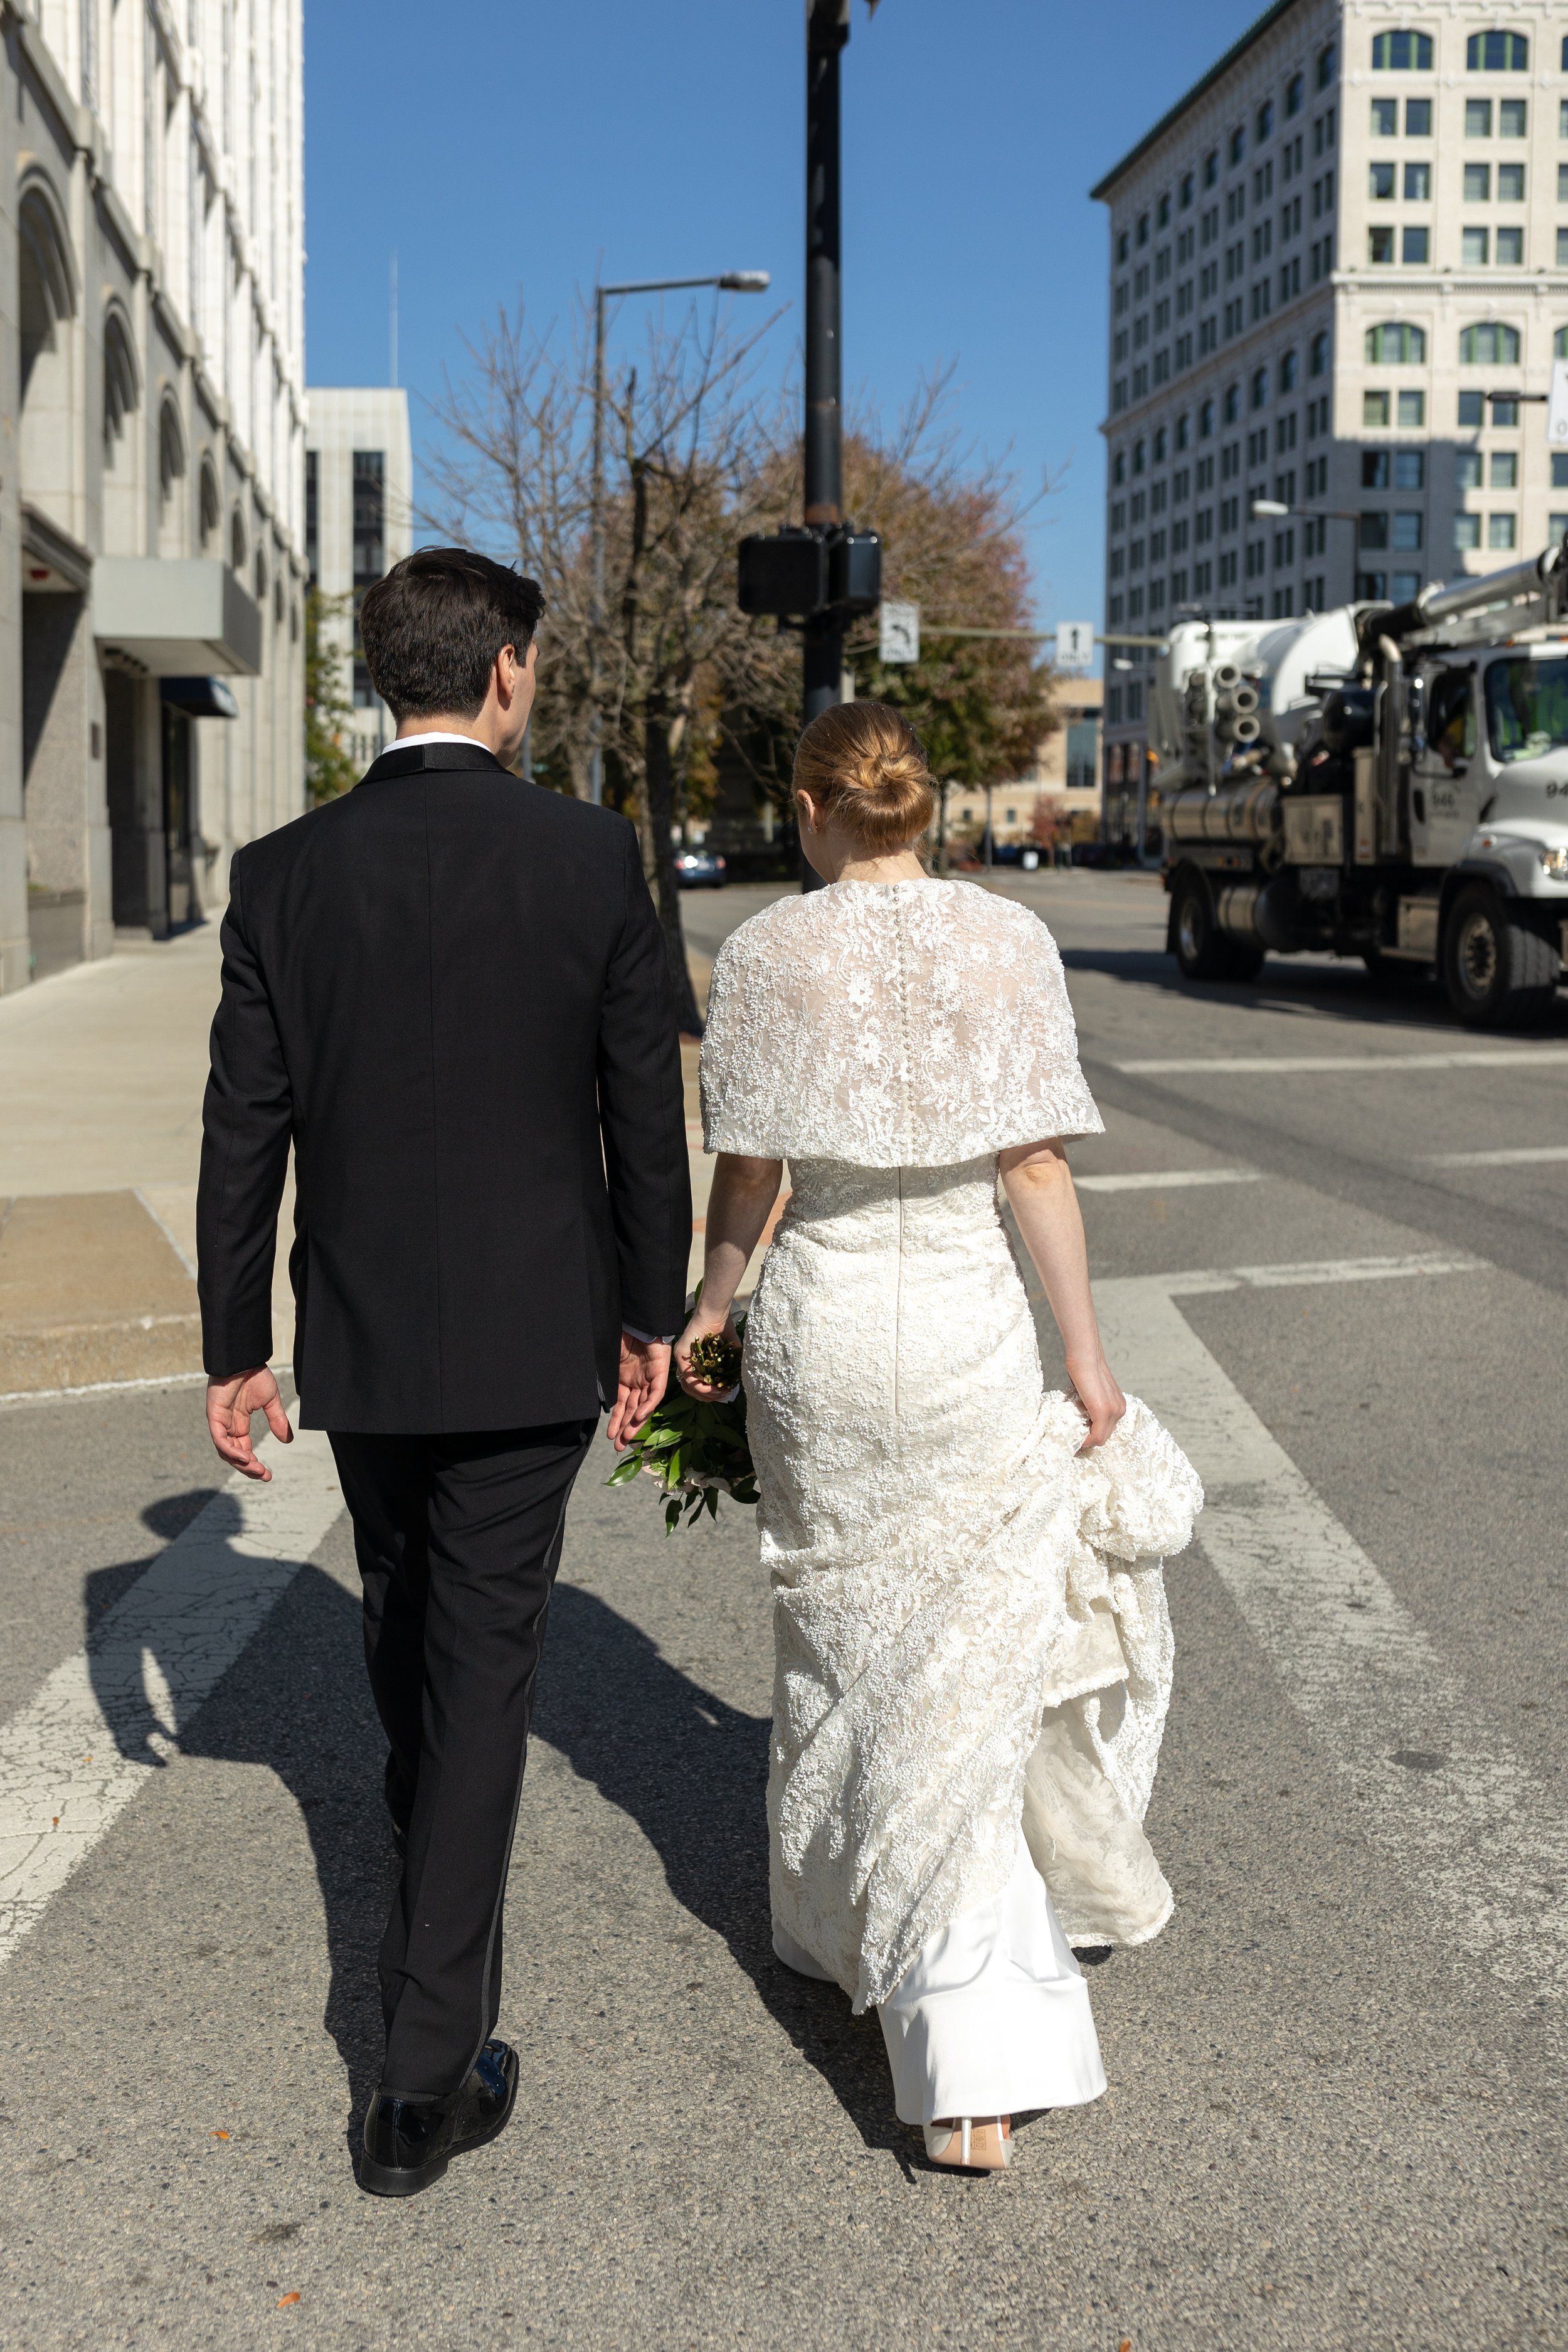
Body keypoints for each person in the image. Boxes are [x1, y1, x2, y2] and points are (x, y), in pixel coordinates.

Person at [196, 547, 691, 2197]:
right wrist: (653, 1311)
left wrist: (233, 1343)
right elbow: (642, 1108)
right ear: (500, 674)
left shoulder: (282, 873)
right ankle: (419, 2078)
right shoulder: (588, 853)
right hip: (536, 1325)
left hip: (363, 1331)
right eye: (533, 665)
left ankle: (427, 1869)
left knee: (408, 1605)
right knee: (475, 1660)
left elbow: (243, 1127)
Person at [678, 701, 1201, 2173]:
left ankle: (915, 2002)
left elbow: (751, 1175)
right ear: (924, 805)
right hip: (965, 1323)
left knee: (844, 1639)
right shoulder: (1008, 940)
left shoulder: (769, 951)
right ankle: (963, 2024)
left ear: (807, 806)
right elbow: (1032, 1164)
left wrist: (713, 1311)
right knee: (961, 1650)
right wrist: (1087, 1365)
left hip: (827, 1331)